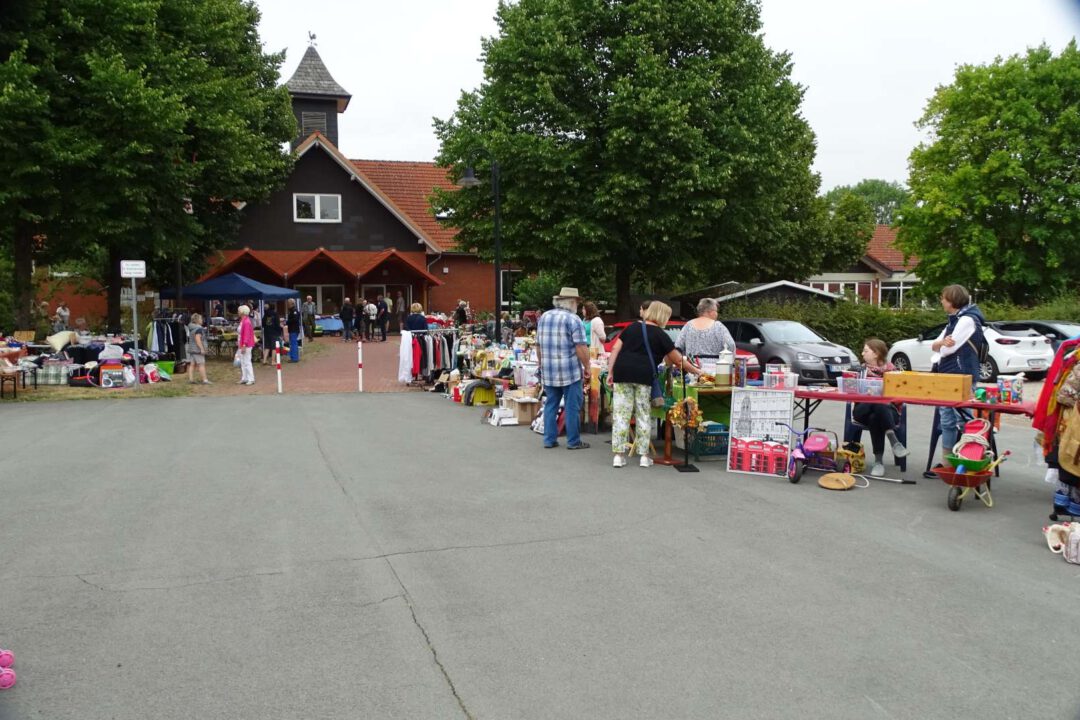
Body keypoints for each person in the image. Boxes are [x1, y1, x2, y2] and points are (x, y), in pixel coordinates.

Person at [606, 301, 697, 468]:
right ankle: (643, 456)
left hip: (622, 372)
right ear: (662, 315)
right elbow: (677, 360)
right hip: (644, 375)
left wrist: (610, 372)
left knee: (621, 414)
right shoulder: (661, 335)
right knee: (643, 414)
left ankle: (618, 456)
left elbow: (615, 350)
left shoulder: (632, 327)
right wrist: (698, 372)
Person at [928, 284, 986, 468]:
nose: (941, 301)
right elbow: (934, 346)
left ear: (952, 300)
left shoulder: (967, 319)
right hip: (948, 375)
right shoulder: (954, 320)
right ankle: (948, 463)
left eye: (943, 298)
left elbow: (946, 350)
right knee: (947, 419)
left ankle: (968, 460)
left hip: (963, 375)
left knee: (963, 418)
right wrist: (940, 344)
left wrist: (941, 345)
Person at [536, 287, 591, 450]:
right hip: (570, 370)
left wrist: (541, 363)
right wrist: (587, 366)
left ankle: (549, 439)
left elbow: (538, 345)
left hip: (549, 369)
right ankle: (573, 441)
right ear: (572, 302)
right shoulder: (574, 320)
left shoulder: (544, 317)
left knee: (551, 404)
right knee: (572, 405)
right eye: (576, 302)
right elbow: (580, 347)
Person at [851, 338, 908, 477]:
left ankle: (878, 462)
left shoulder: (892, 372)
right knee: (876, 401)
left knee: (876, 415)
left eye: (866, 351)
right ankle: (893, 440)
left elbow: (900, 395)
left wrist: (883, 394)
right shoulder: (860, 370)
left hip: (888, 411)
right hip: (862, 409)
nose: (862, 353)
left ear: (876, 353)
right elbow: (851, 391)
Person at [186, 313, 211, 384]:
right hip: (197, 350)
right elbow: (198, 339)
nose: (202, 320)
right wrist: (202, 349)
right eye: (201, 319)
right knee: (201, 364)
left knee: (192, 364)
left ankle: (191, 379)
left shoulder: (191, 328)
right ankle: (205, 380)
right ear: (197, 320)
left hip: (192, 348)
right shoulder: (199, 329)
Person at [236, 304, 256, 385]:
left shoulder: (246, 322)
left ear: (242, 312)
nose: (238, 312)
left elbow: (247, 335)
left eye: (239, 311)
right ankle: (244, 378)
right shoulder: (243, 321)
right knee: (243, 361)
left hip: (246, 345)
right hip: (242, 344)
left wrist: (244, 344)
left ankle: (251, 378)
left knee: (247, 361)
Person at [286, 298, 301, 362]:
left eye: (288, 303)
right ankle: (293, 357)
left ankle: (295, 358)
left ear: (292, 304)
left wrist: (287, 322)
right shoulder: (291, 310)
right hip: (292, 329)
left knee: (294, 344)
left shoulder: (294, 311)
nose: (287, 305)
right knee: (292, 344)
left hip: (294, 329)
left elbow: (295, 319)